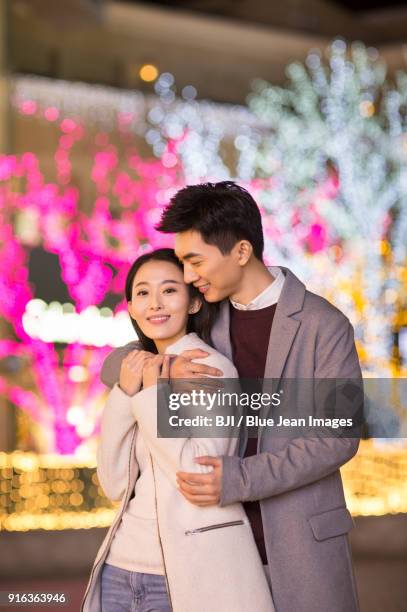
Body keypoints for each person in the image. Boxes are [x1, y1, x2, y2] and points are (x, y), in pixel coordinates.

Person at [100, 181, 362, 612]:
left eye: (194, 261)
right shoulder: (209, 313)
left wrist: (241, 478)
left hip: (299, 538)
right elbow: (118, 362)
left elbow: (337, 437)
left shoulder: (323, 324)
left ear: (241, 252)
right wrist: (164, 366)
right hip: (217, 543)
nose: (187, 277)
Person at [81, 248, 275, 612]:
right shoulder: (136, 372)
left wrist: (154, 392)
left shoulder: (210, 370)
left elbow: (199, 474)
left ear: (193, 303)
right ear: (132, 307)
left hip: (189, 571)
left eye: (169, 290)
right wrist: (126, 393)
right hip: (119, 567)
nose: (155, 303)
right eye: (143, 293)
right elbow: (113, 483)